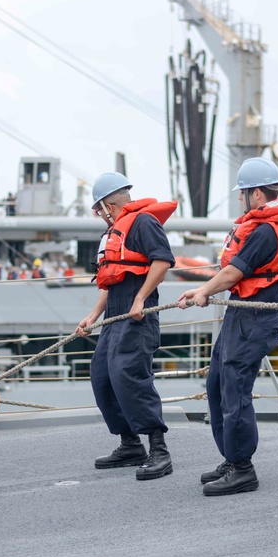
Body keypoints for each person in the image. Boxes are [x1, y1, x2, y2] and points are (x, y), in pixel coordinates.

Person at [179, 157, 278, 496]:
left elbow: (233, 273)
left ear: (256, 194)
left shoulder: (267, 231)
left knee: (234, 391)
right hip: (239, 317)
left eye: (242, 193)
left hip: (255, 318)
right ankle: (231, 457)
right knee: (216, 384)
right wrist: (206, 291)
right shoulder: (262, 226)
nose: (240, 199)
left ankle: (243, 469)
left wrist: (202, 291)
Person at [76, 172, 177, 481]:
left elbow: (162, 261)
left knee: (130, 375)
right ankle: (130, 444)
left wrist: (141, 300)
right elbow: (110, 280)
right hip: (114, 318)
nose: (98, 215)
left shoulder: (144, 223)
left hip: (137, 316)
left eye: (99, 209)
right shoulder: (111, 234)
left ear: (108, 204)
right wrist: (93, 316)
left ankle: (159, 449)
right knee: (103, 376)